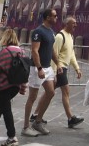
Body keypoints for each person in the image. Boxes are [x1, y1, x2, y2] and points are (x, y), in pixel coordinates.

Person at [22, 8, 60, 137]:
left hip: (48, 68)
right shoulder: (38, 31)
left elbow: (52, 50)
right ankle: (26, 126)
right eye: (54, 16)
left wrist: (58, 63)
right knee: (32, 97)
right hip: (37, 68)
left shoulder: (51, 31)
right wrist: (39, 69)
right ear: (48, 17)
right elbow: (34, 51)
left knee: (51, 92)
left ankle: (38, 121)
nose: (56, 18)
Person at [55, 16, 85, 128]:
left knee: (49, 93)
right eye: (73, 23)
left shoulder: (71, 36)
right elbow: (54, 54)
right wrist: (54, 71)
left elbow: (71, 54)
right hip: (60, 68)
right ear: (66, 24)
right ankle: (70, 118)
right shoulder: (59, 36)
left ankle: (36, 114)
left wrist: (77, 68)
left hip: (64, 68)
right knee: (66, 91)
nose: (75, 25)